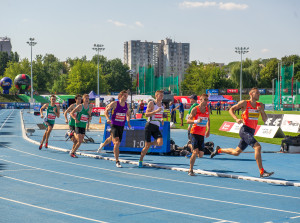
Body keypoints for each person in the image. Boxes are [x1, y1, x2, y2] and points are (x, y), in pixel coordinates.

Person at [210, 87, 274, 178]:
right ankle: (262, 171)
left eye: (259, 94)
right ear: (251, 94)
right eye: (257, 93)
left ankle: (219, 150)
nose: (259, 95)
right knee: (258, 147)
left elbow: (265, 119)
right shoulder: (245, 103)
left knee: (236, 152)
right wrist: (236, 119)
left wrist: (262, 111)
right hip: (245, 130)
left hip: (251, 132)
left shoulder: (260, 105)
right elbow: (231, 109)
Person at [104, 90, 131, 167]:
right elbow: (106, 110)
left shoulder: (127, 105)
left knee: (117, 142)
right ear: (120, 96)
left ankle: (104, 145)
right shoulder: (115, 103)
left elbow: (128, 114)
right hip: (114, 125)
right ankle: (117, 161)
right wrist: (107, 118)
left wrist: (128, 123)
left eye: (127, 96)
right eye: (124, 96)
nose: (126, 98)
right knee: (117, 142)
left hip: (121, 126)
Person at [139, 90, 164, 168]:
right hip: (149, 125)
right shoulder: (151, 103)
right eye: (160, 95)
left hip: (156, 126)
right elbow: (146, 114)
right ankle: (140, 160)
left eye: (162, 96)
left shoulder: (163, 105)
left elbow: (160, 115)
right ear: (156, 95)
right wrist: (155, 111)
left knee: (160, 142)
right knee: (146, 147)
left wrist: (162, 119)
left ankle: (150, 144)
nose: (161, 97)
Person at [186, 93, 210, 176]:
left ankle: (189, 145)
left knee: (201, 155)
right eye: (205, 100)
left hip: (202, 133)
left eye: (207, 100)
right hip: (194, 132)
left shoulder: (208, 109)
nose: (207, 101)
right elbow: (188, 121)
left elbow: (208, 119)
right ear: (200, 100)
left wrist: (208, 129)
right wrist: (196, 121)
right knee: (195, 152)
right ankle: (190, 170)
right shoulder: (195, 109)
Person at [69, 94, 93, 158]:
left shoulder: (90, 107)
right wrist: (75, 119)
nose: (87, 100)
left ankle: (72, 152)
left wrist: (90, 118)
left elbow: (89, 116)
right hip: (78, 125)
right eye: (86, 98)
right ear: (83, 99)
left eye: (88, 98)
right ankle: (73, 153)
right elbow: (71, 113)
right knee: (79, 141)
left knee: (80, 142)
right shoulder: (80, 106)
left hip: (83, 125)